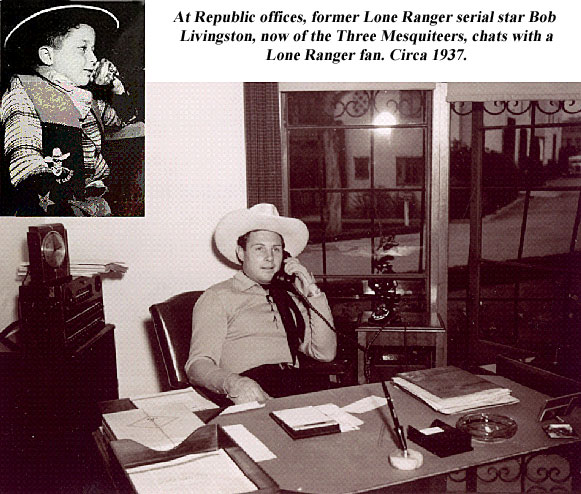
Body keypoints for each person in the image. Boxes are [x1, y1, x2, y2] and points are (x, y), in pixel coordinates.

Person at [185, 203, 337, 405]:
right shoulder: (218, 296)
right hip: (251, 389)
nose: (269, 258)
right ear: (241, 253)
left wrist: (311, 292)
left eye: (276, 249)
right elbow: (197, 365)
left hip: (295, 385)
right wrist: (234, 384)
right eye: (259, 249)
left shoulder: (290, 296)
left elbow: (325, 353)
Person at [0, 4, 129, 216]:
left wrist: (116, 87)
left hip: (97, 206)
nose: (94, 59)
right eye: (83, 48)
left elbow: (123, 125)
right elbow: (25, 160)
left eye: (93, 49)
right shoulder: (24, 92)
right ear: (47, 56)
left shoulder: (86, 98)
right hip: (52, 210)